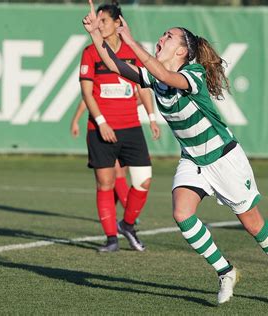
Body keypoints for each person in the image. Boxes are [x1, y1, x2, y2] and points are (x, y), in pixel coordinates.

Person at [82, 0, 268, 309]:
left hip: (224, 159)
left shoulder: (192, 74)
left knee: (253, 225)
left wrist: (131, 41)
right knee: (182, 214)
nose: (162, 38)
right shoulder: (155, 76)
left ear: (183, 51)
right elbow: (119, 66)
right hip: (193, 159)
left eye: (168, 36)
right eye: (163, 34)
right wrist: (97, 36)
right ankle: (226, 271)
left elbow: (166, 76)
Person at [79, 1, 160, 253]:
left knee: (144, 181)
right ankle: (111, 239)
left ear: (118, 23)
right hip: (101, 129)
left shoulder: (131, 50)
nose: (100, 25)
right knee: (105, 183)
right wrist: (101, 122)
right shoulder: (90, 52)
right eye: (98, 21)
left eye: (104, 21)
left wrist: (152, 116)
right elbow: (87, 93)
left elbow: (143, 86)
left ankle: (127, 224)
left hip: (131, 127)